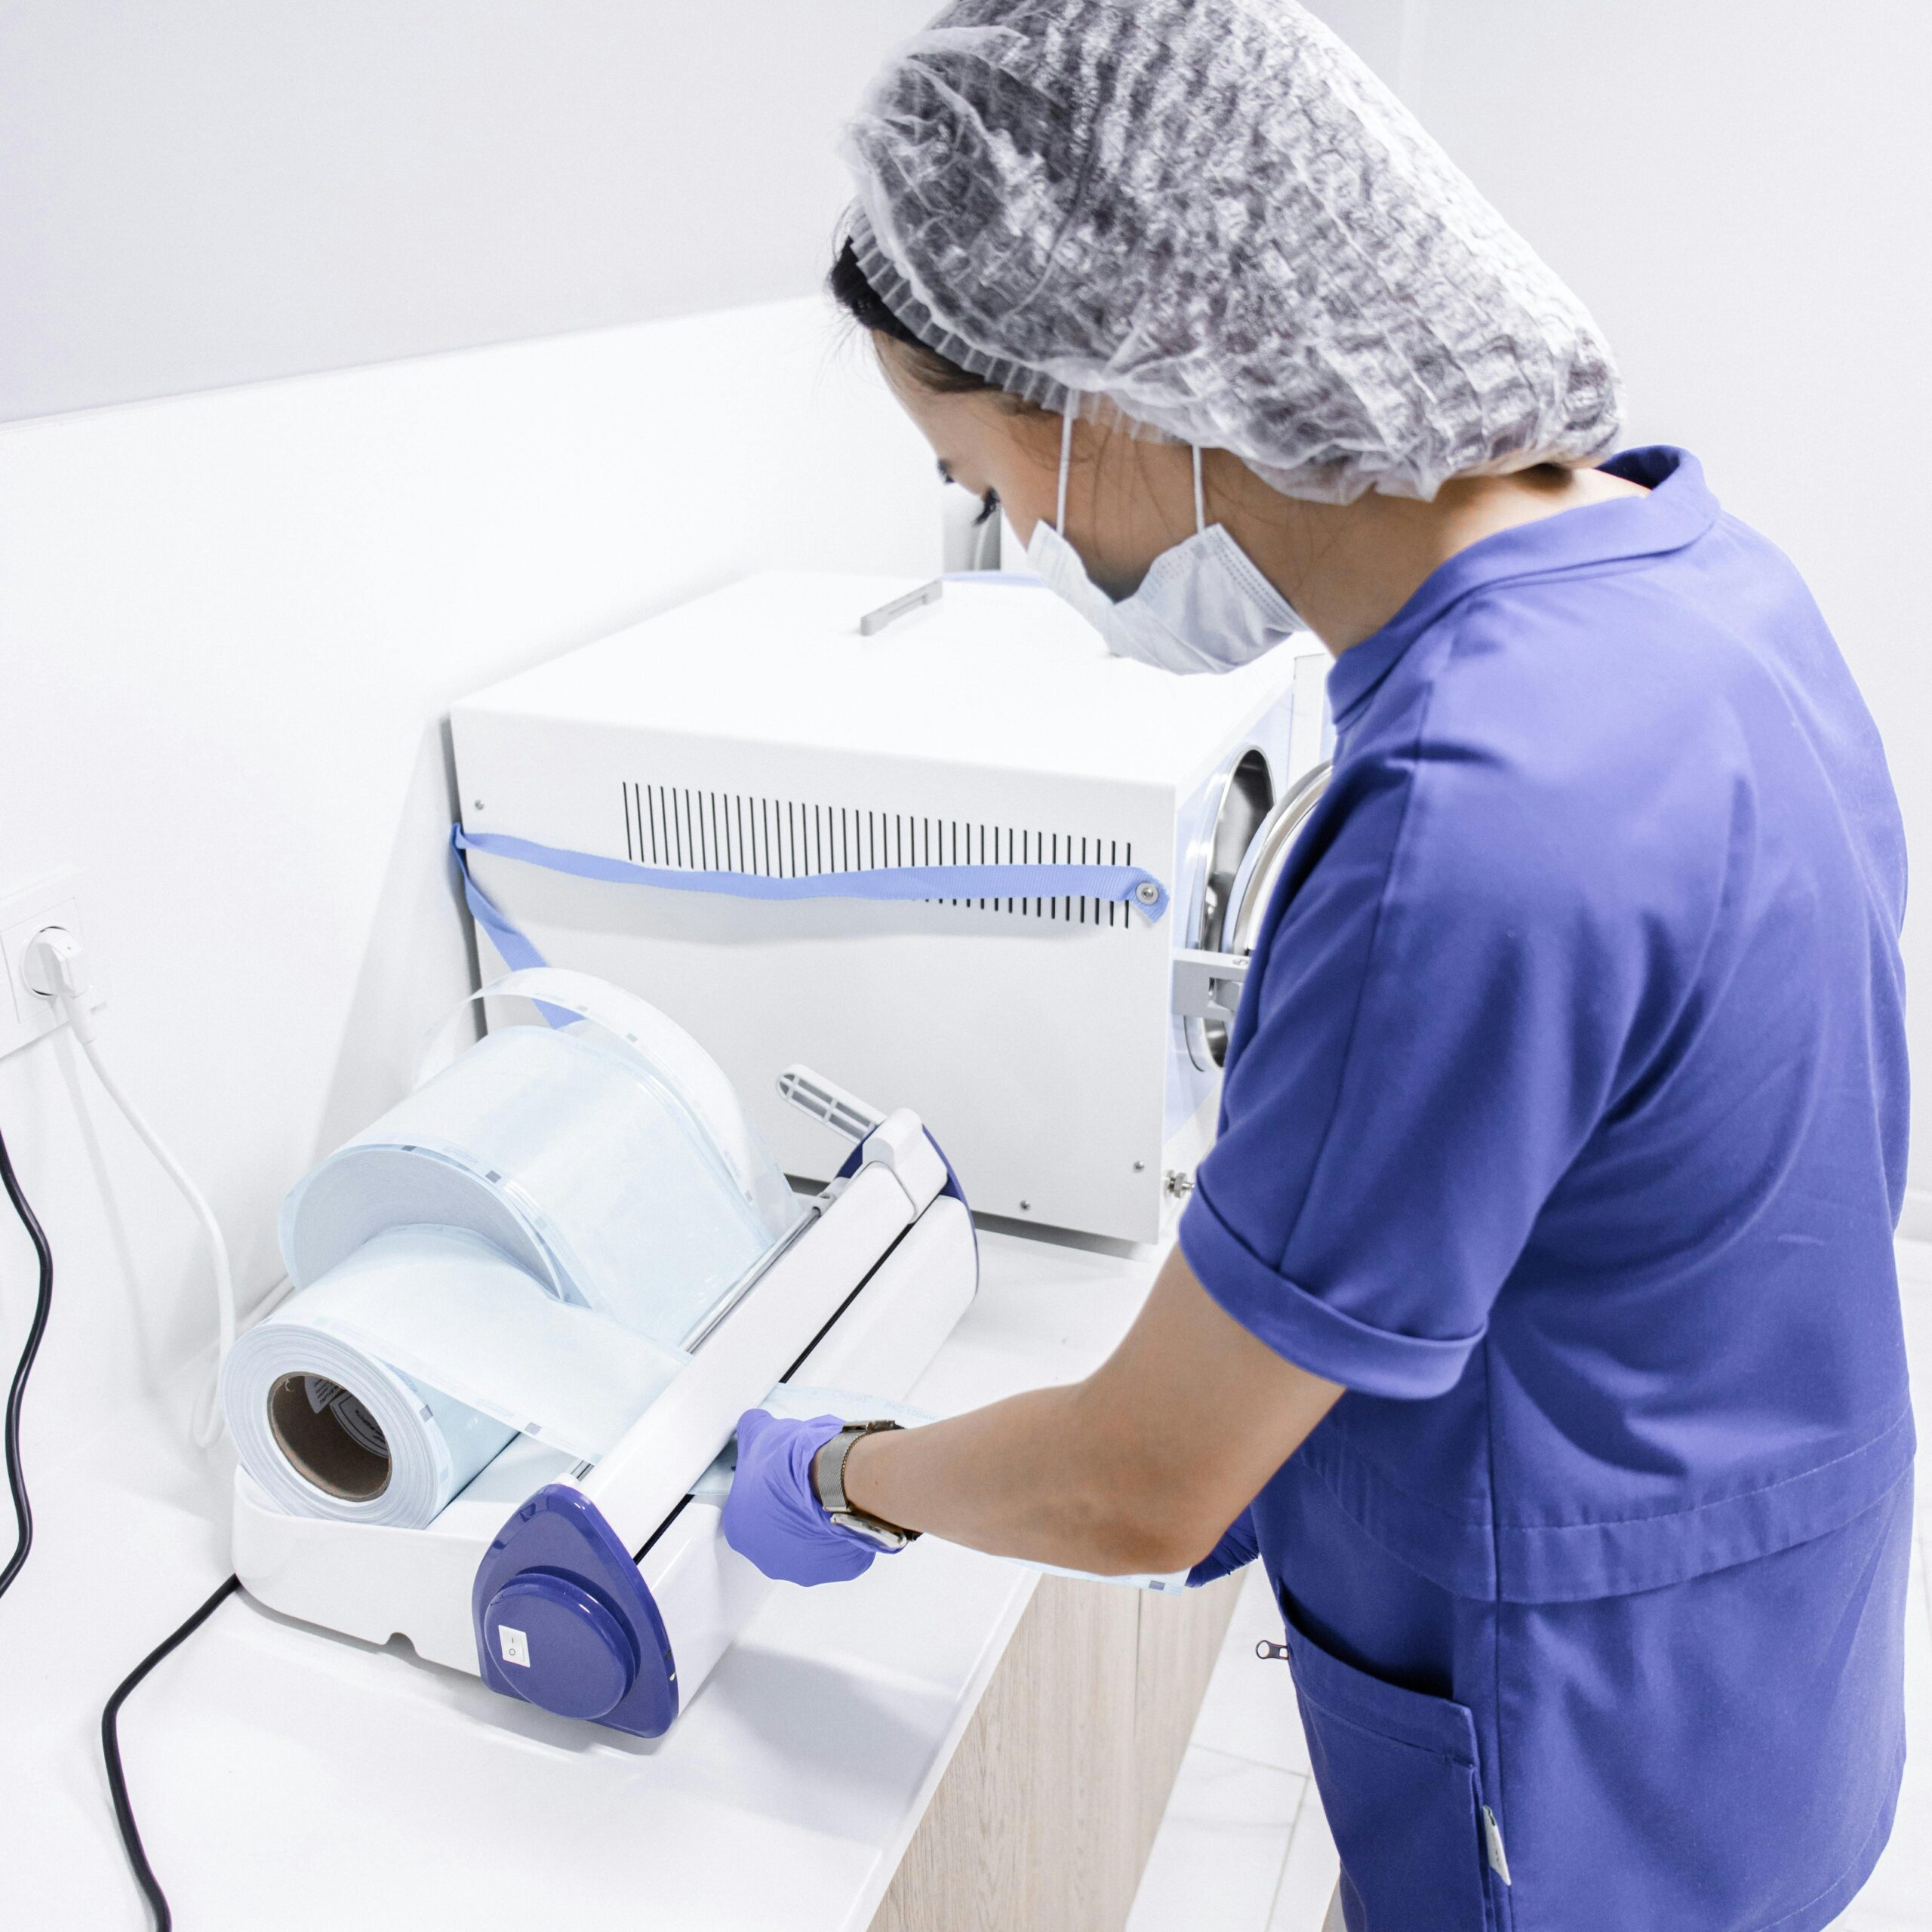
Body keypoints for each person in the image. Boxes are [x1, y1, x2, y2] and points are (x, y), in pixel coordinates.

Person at [722, 5, 1915, 1928]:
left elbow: (1143, 1480)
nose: (1016, 535)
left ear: (1117, 381)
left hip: (1573, 1750)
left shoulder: (1474, 810)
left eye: (979, 474)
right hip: (1763, 1636)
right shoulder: (1702, 579)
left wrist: (840, 1470)